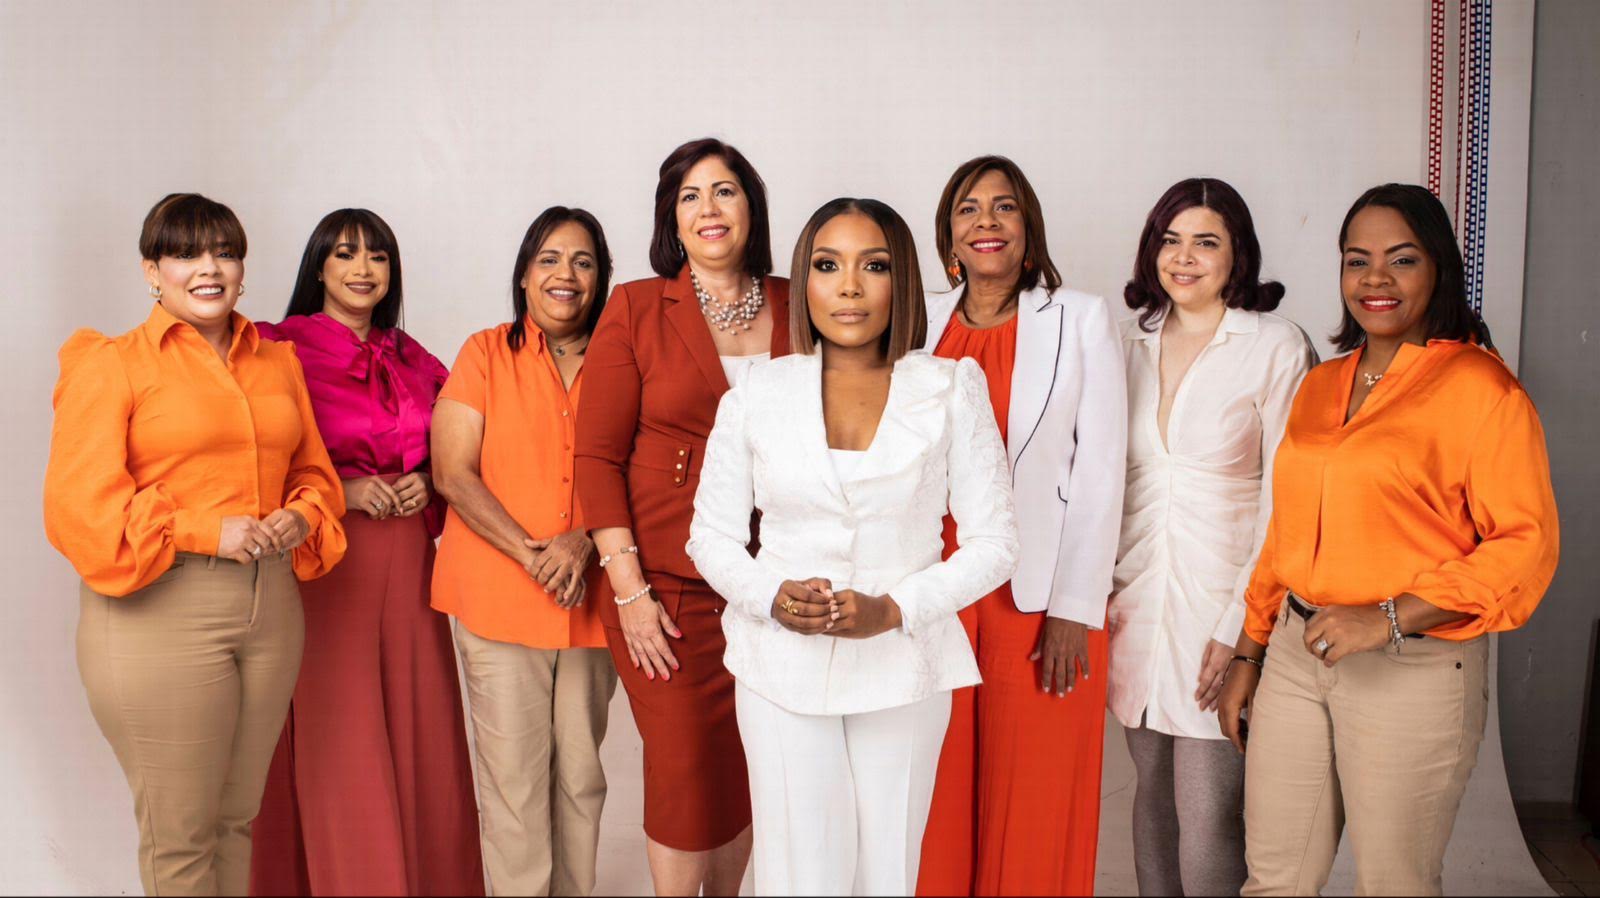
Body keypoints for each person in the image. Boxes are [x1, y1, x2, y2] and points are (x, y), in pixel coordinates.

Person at [1215, 183, 1560, 896]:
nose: (1376, 279)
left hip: (1411, 667)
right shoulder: (1322, 384)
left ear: (1438, 268)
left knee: (1393, 884)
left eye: (1401, 260)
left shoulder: (1483, 389)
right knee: (1273, 881)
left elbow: (1523, 545)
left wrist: (1388, 616)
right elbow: (1287, 529)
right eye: (1357, 260)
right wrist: (1250, 650)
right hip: (1296, 654)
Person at [688, 197, 1020, 896]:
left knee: (885, 873)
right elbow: (711, 537)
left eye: (872, 266)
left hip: (903, 665)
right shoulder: (756, 392)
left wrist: (894, 609)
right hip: (778, 665)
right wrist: (769, 596)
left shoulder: (950, 386)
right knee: (797, 871)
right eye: (826, 265)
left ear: (901, 280)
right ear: (804, 281)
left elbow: (994, 542)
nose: (848, 287)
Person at [43, 193, 346, 896]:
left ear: (242, 268)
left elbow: (313, 473)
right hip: (160, 608)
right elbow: (79, 508)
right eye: (186, 254)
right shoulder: (112, 364)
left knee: (235, 821)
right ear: (152, 271)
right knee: (181, 837)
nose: (209, 268)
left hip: (271, 607)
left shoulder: (277, 363)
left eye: (225, 252)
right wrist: (207, 529)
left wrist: (301, 515)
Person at [573, 137, 790, 896]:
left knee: (746, 761)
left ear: (751, 207)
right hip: (664, 586)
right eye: (690, 196)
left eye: (724, 191)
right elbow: (596, 457)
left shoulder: (799, 299)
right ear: (672, 216)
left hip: (774, 583)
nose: (708, 209)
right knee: (682, 766)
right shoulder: (636, 306)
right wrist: (629, 590)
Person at [248, 208, 482, 897]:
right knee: (340, 735)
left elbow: (461, 450)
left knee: (421, 725)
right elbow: (252, 453)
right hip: (327, 562)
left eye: (377, 256)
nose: (362, 269)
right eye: (346, 254)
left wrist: (427, 480)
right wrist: (341, 490)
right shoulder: (277, 347)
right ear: (318, 267)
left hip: (410, 562)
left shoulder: (413, 358)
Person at [917, 155, 1126, 897]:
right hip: (937, 592)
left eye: (1003, 207)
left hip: (1037, 600)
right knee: (935, 794)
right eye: (968, 209)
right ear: (949, 234)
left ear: (1028, 227)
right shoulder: (919, 321)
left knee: (1032, 799)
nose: (987, 222)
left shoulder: (1081, 318)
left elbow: (1101, 471)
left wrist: (1075, 608)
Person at [1109, 178, 1315, 896]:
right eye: (1170, 240)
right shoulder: (1124, 343)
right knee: (1152, 797)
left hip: (1226, 608)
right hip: (1137, 603)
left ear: (1238, 255)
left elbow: (1287, 501)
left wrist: (1240, 630)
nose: (1184, 257)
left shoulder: (1274, 345)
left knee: (1209, 813)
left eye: (1206, 242)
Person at [431, 207, 617, 896]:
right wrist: (534, 553)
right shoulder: (483, 353)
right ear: (523, 275)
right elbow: (453, 473)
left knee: (582, 777)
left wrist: (583, 541)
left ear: (600, 278)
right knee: (514, 783)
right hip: (500, 602)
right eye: (549, 259)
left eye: (583, 261)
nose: (566, 274)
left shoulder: (623, 358)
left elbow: (641, 467)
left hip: (594, 603)